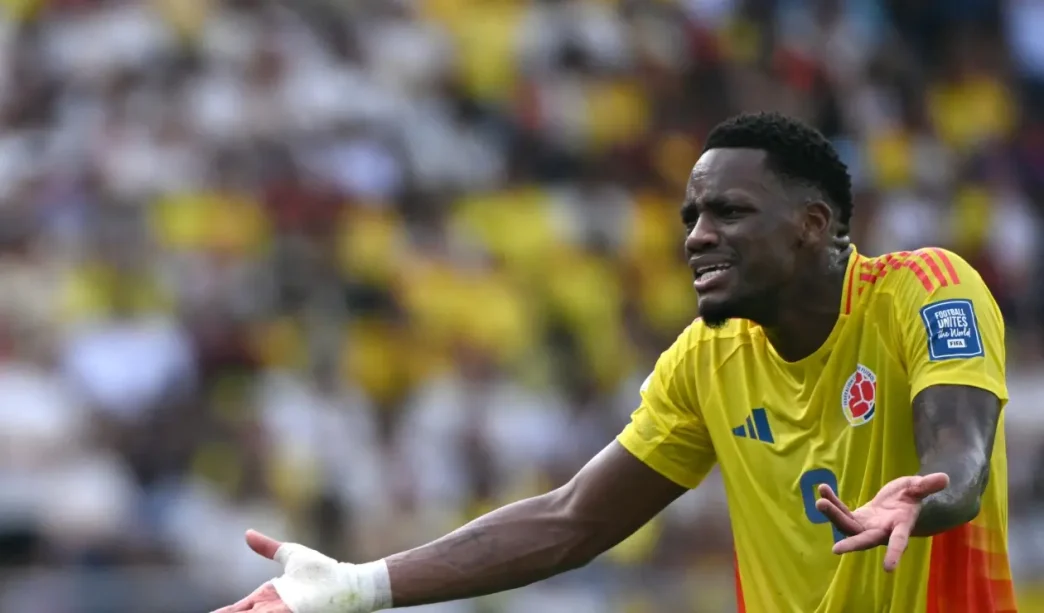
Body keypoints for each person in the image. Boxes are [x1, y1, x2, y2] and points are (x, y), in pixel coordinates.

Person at [213, 113, 1015, 613]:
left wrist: (923, 499)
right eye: (691, 214)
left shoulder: (926, 288)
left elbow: (960, 455)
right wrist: (360, 585)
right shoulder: (705, 359)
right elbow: (572, 518)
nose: (697, 234)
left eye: (729, 211)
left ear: (812, 223)